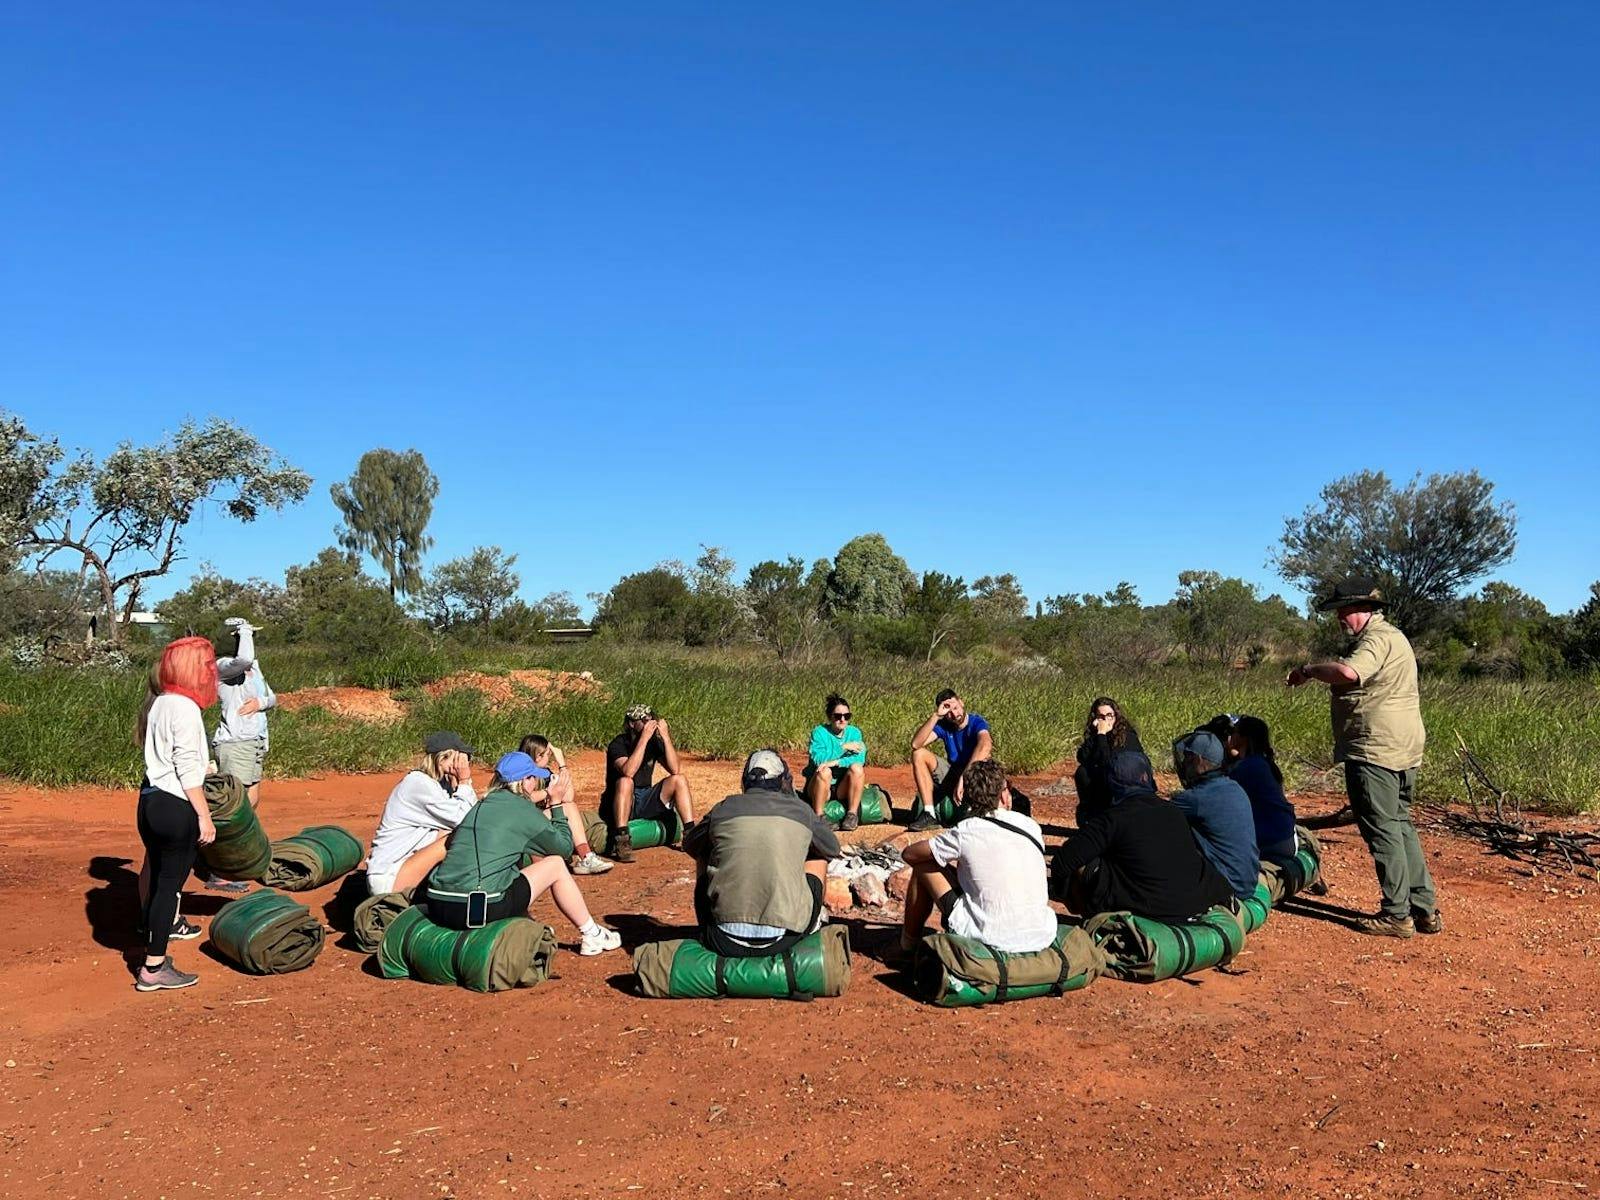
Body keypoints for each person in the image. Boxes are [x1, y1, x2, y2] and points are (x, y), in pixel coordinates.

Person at [1288, 575, 1440, 937]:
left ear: (1361, 608)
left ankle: (1396, 915)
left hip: (1375, 750)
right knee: (1400, 824)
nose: (1339, 618)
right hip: (1403, 747)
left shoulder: (1375, 640)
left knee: (1383, 831)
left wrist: (1308, 671)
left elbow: (1348, 672)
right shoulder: (1394, 636)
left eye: (1343, 611)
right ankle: (1424, 910)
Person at [420, 751, 622, 955]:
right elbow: (564, 849)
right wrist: (556, 804)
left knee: (509, 869)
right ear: (524, 781)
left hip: (438, 903)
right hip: (476, 907)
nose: (536, 784)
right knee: (555, 865)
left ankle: (526, 924)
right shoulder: (523, 810)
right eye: (534, 778)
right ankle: (592, 934)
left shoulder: (480, 806)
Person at [683, 749, 841, 957]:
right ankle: (814, 924)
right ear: (783, 781)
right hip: (785, 939)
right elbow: (832, 848)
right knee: (818, 857)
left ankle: (711, 920)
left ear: (745, 781)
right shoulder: (801, 810)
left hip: (722, 938)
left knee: (705, 852)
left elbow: (691, 844)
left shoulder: (722, 809)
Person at [132, 637, 220, 991]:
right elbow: (185, 766)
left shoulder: (160, 702)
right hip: (175, 804)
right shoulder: (185, 707)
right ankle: (153, 968)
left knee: (157, 882)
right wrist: (204, 815)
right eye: (206, 666)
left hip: (149, 802)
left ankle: (153, 950)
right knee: (169, 888)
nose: (210, 672)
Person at [1050, 756, 1235, 922]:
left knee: (1088, 867)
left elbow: (1063, 862)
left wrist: (1062, 891)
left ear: (1110, 784)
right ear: (1146, 778)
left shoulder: (1113, 818)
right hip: (1191, 904)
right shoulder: (1174, 811)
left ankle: (1090, 916)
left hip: (1149, 909)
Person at [900, 760, 1057, 956]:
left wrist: (940, 851)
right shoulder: (1030, 826)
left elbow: (909, 854)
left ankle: (907, 947)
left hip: (989, 935)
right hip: (1040, 933)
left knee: (924, 865)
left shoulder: (967, 831)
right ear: (1003, 795)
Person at [203, 617, 275, 894]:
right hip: (235, 743)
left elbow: (272, 697)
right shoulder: (222, 666)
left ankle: (237, 857)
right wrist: (245, 630)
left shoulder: (254, 669)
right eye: (244, 638)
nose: (247, 642)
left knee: (251, 801)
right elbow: (243, 658)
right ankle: (218, 869)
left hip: (253, 742)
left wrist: (260, 702)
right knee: (232, 806)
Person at [365, 732, 479, 896]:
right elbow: (465, 820)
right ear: (443, 758)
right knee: (459, 837)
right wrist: (464, 782)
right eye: (461, 759)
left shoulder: (438, 784)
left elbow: (473, 816)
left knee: (453, 833)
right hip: (388, 878)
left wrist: (458, 786)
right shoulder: (418, 784)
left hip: (401, 867)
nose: (465, 764)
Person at [1170, 729, 1260, 901]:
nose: (1185, 763)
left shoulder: (1195, 799)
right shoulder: (1234, 787)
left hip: (1227, 886)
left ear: (1198, 760)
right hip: (1248, 882)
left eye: (1188, 758)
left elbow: (1155, 818)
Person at [601, 703, 696, 862]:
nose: (649, 724)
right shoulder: (618, 743)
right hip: (622, 800)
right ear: (632, 724)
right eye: (644, 720)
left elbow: (675, 769)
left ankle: (690, 834)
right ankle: (622, 839)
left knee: (679, 779)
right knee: (626, 781)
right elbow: (628, 771)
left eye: (651, 719)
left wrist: (665, 737)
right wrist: (644, 739)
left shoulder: (654, 743)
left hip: (644, 797)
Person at [1206, 714, 1299, 863]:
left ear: (1244, 738)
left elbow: (1216, 794)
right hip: (1283, 838)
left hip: (1272, 843)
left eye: (1234, 732)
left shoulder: (1250, 767)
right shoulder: (1260, 762)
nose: (1230, 736)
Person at [519, 734, 613, 875]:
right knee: (567, 808)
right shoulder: (520, 772)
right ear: (538, 757)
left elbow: (568, 796)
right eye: (548, 754)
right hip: (524, 825)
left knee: (569, 806)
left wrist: (562, 765)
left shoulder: (545, 773)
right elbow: (524, 798)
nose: (550, 757)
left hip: (539, 823)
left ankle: (586, 857)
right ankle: (584, 858)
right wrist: (549, 793)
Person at [908, 688, 993, 832]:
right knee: (918, 754)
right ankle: (929, 813)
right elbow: (916, 744)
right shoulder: (944, 726)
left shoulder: (976, 722)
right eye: (948, 712)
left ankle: (975, 810)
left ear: (961, 703)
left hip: (972, 775)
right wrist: (936, 716)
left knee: (984, 762)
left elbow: (985, 745)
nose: (954, 714)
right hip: (952, 773)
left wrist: (964, 777)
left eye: (955, 708)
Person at [1072, 696, 1147, 825]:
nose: (1106, 720)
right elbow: (1082, 757)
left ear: (1115, 715)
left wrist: (1102, 735)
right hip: (1103, 780)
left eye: (1109, 715)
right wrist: (1097, 735)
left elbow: (1107, 761)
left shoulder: (1127, 736)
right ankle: (1089, 818)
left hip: (1123, 781)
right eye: (1101, 717)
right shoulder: (1096, 734)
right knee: (1082, 772)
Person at [804, 693, 868, 831]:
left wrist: (836, 762)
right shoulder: (819, 733)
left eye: (846, 716)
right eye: (838, 716)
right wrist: (843, 748)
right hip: (820, 785)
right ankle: (819, 816)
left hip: (842, 786)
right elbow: (819, 760)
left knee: (857, 768)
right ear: (830, 717)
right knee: (824, 771)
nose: (842, 719)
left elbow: (859, 758)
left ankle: (852, 814)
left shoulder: (854, 733)